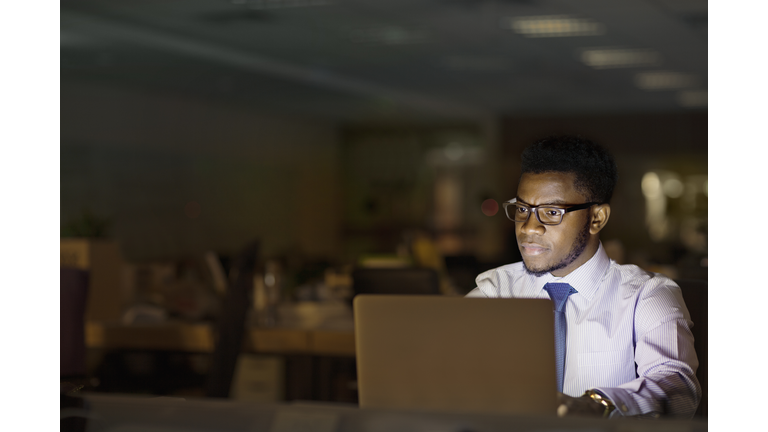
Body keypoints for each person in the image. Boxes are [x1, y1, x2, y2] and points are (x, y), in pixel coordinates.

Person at [466, 135, 700, 418]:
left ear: (597, 218)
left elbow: (677, 387)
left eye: (551, 212)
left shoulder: (646, 295)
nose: (529, 227)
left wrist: (596, 404)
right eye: (523, 209)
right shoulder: (496, 290)